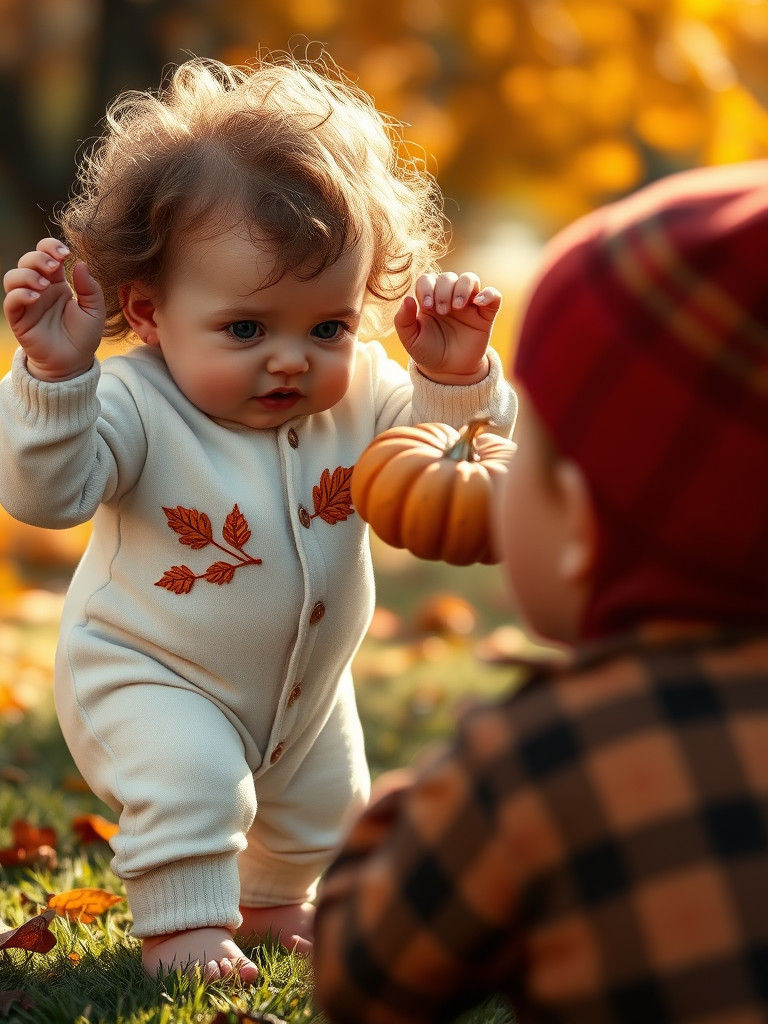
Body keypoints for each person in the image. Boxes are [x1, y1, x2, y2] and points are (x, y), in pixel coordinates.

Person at [0, 53, 517, 983]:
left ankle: (273, 903)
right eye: (246, 329)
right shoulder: (133, 402)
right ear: (149, 312)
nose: (290, 362)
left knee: (324, 800)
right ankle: (183, 931)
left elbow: (452, 472)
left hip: (306, 689)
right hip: (149, 670)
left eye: (327, 328)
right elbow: (45, 496)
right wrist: (56, 382)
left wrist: (451, 376)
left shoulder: (361, 400)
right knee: (192, 780)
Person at [313, 160, 768, 1022]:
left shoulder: (540, 761)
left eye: (530, 458)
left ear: (582, 529)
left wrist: (422, 802)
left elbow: (361, 980)